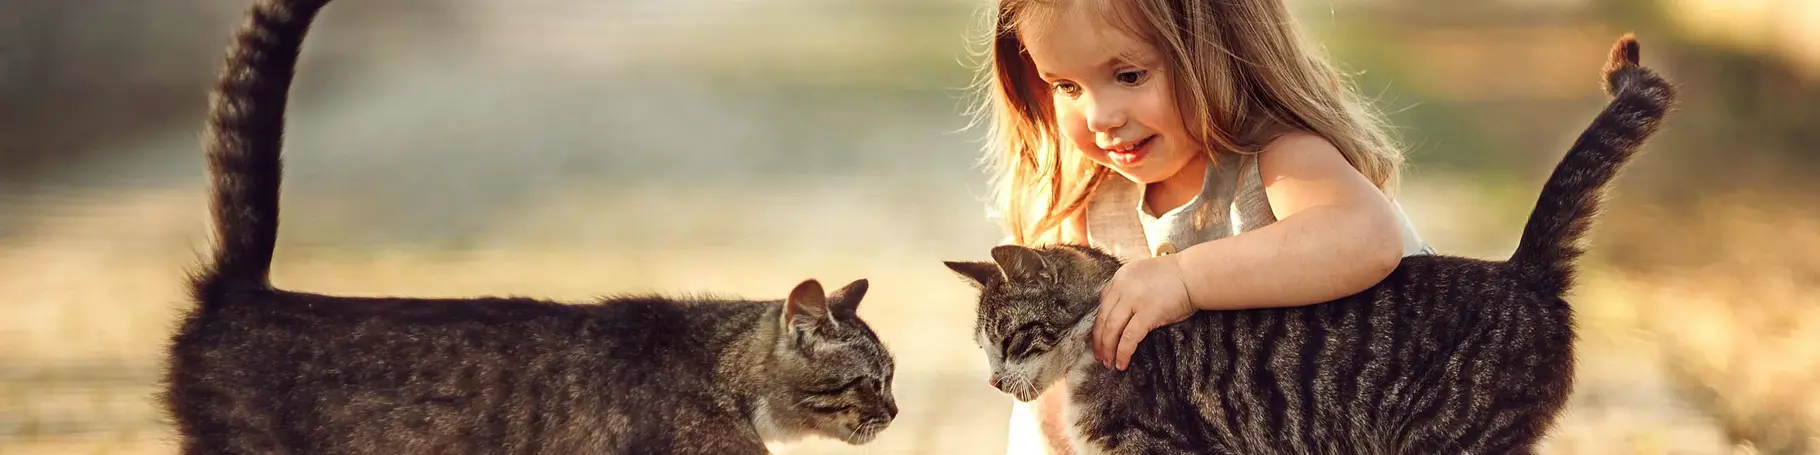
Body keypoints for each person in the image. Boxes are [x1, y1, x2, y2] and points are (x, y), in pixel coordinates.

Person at [966, 0, 1439, 453]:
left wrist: (1184, 280)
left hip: (1399, 412)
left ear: (1220, 52)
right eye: (1066, 86)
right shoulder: (1093, 200)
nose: (1100, 117)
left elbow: (1368, 236)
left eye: (1129, 75)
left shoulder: (1278, 158)